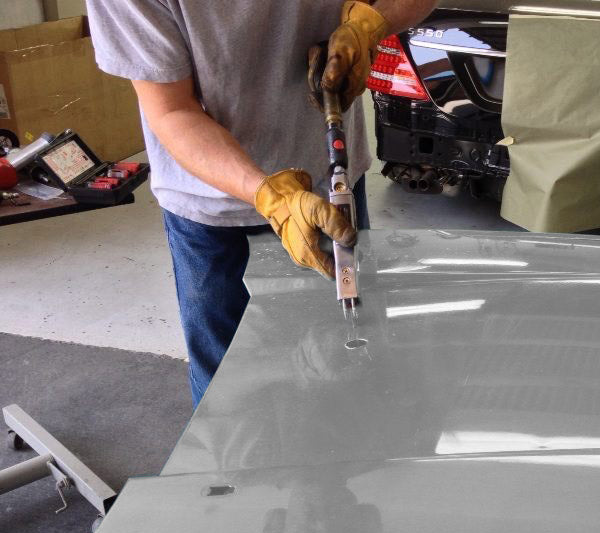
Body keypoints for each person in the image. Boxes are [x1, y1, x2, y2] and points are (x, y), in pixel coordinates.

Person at [86, 0, 436, 406]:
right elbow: (172, 109)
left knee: (348, 366)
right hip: (214, 210)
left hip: (329, 187)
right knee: (231, 395)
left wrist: (372, 24)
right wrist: (273, 197)